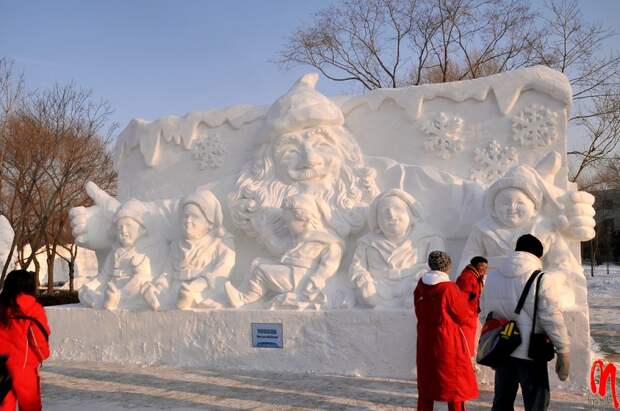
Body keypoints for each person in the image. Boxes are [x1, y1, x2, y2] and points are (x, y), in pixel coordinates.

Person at [480, 234, 570, 411]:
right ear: (538, 256)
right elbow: (551, 318)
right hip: (530, 353)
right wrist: (563, 349)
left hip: (502, 349)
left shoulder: (493, 276)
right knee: (536, 403)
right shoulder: (542, 279)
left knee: (502, 402)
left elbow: (484, 313)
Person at [225, 194, 343, 309]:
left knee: (260, 271)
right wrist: (266, 233)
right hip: (291, 272)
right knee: (258, 262)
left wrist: (316, 281)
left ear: (302, 218)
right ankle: (243, 294)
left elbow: (329, 266)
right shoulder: (298, 239)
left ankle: (244, 298)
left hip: (300, 278)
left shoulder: (326, 240)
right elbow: (280, 249)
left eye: (288, 222)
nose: (286, 226)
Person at [350, 189, 444, 309]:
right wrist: (365, 283)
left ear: (410, 214)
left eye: (397, 209)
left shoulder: (430, 238)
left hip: (414, 286)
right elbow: (357, 267)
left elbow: (438, 269)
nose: (391, 214)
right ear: (377, 220)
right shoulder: (367, 243)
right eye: (384, 212)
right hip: (377, 288)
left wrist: (423, 279)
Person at [414, 251, 478, 411]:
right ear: (446, 267)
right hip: (447, 340)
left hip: (425, 338)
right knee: (453, 382)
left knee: (427, 381)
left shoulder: (421, 285)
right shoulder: (449, 288)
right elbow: (462, 314)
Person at [0, 270, 50, 411]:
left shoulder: (2, 306)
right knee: (30, 407)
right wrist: (43, 355)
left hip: (1, 367)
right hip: (23, 366)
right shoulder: (32, 308)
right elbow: (37, 338)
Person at [456, 256, 488, 353]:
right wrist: (467, 315)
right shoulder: (468, 278)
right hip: (466, 318)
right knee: (465, 344)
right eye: (482, 266)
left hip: (471, 315)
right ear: (475, 266)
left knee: (468, 343)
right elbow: (461, 300)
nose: (485, 269)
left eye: (486, 267)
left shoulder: (476, 277)